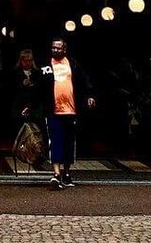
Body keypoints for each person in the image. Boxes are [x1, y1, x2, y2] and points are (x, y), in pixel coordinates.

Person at [41, 37, 95, 189]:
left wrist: (90, 95)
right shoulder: (46, 65)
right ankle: (56, 174)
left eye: (58, 48)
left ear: (64, 49)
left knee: (69, 142)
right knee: (55, 141)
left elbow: (85, 81)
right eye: (53, 48)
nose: (55, 50)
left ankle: (66, 173)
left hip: (71, 110)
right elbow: (39, 86)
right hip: (53, 110)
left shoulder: (73, 64)